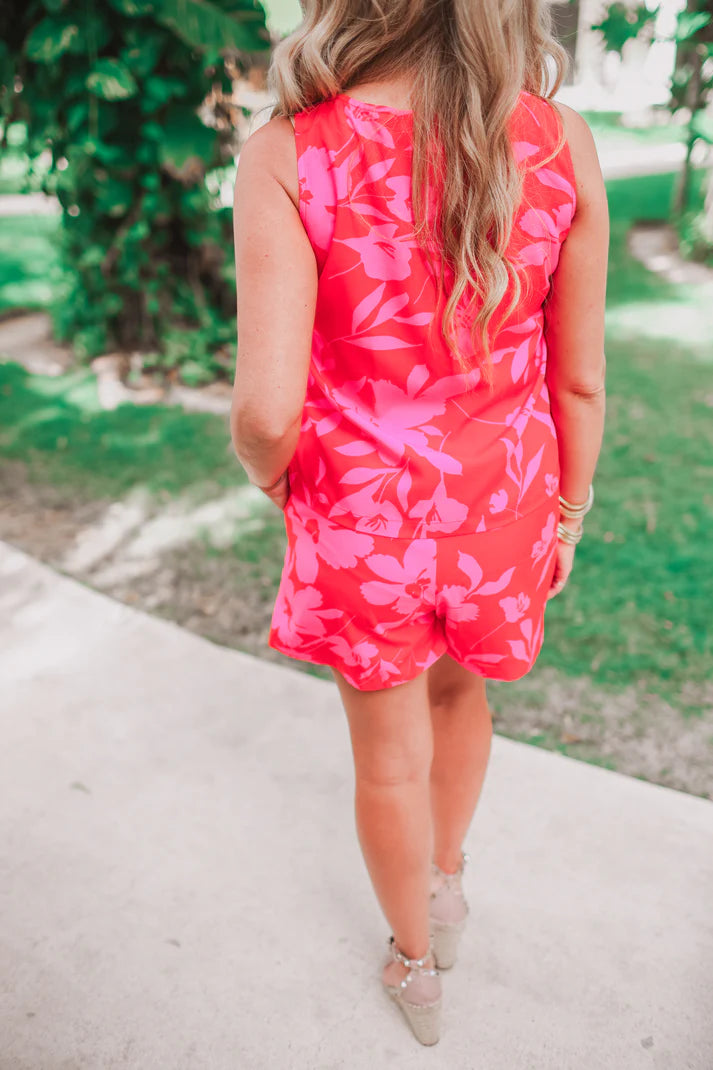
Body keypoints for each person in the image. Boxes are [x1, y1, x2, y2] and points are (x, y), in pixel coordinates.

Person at [230, 0, 607, 1047]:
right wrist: (566, 516)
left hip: (360, 515)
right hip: (501, 505)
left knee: (383, 754)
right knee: (462, 690)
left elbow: (265, 413)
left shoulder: (286, 153)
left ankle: (414, 964)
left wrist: (279, 482)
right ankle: (445, 887)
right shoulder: (555, 139)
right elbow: (576, 379)